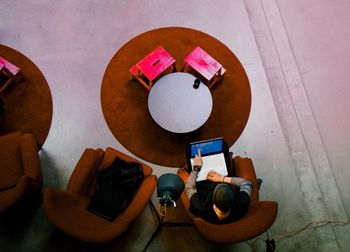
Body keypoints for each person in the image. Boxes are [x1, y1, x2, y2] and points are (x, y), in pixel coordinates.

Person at [185, 149, 253, 224]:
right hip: (220, 176)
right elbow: (247, 184)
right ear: (233, 198)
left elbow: (189, 188)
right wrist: (222, 178)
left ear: (213, 199)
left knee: (192, 159)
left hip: (204, 181)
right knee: (223, 154)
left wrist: (196, 168)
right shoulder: (240, 207)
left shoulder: (201, 208)